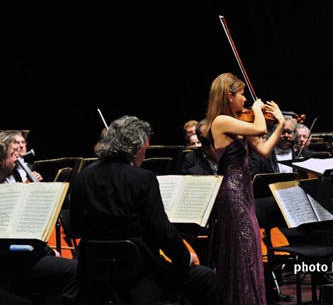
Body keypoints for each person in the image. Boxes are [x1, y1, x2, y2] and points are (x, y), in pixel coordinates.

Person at [69, 116, 224, 305]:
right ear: (135, 147)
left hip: (94, 275)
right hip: (140, 274)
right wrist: (184, 257)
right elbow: (162, 231)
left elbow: (75, 227)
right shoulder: (142, 178)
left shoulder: (82, 177)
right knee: (205, 277)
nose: (145, 153)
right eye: (145, 148)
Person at [204, 72, 286, 305]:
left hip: (244, 193)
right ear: (229, 96)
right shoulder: (221, 121)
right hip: (231, 194)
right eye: (241, 94)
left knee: (249, 251)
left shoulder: (239, 122)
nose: (245, 100)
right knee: (241, 249)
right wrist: (258, 108)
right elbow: (260, 129)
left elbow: (264, 149)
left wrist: (280, 124)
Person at [0, 132, 79, 304]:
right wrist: (48, 252)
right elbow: (15, 237)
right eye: (12, 154)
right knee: (76, 271)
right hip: (13, 261)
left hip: (20, 257)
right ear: (1, 161)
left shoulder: (11, 182)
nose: (17, 158)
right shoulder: (6, 191)